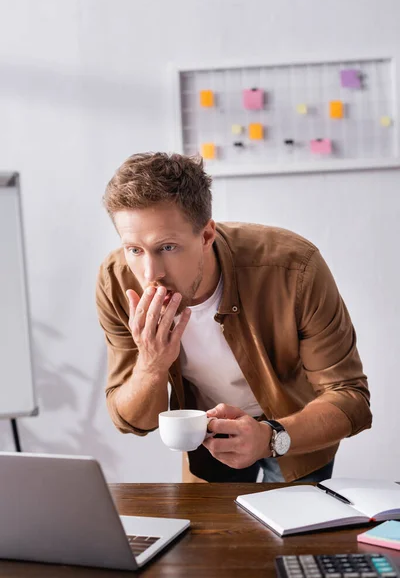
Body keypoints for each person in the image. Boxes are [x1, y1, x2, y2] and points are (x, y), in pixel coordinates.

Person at [95, 152, 372, 484]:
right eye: (134, 250)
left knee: (295, 534)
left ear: (207, 235)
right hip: (206, 432)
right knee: (205, 534)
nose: (150, 273)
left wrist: (269, 437)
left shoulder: (294, 268)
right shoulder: (117, 282)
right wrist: (151, 365)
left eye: (167, 247)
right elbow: (133, 422)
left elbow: (351, 398)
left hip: (294, 428)